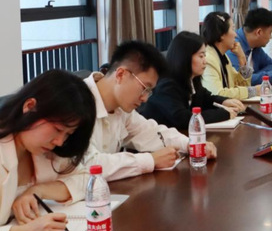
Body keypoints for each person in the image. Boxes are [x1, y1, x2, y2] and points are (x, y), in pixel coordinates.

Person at [83, 41, 217, 182]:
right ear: (121, 74)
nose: (145, 98)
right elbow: (89, 165)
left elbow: (150, 132)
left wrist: (190, 144)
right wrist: (150, 160)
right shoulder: (76, 103)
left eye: (149, 91)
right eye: (145, 88)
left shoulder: (122, 108)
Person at [0, 70, 96, 231]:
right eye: (57, 129)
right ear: (30, 106)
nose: (59, 141)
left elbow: (88, 181)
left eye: (68, 134)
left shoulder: (44, 151)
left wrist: (38, 191)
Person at [139, 31, 245, 129]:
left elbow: (206, 98)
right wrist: (224, 113)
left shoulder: (191, 79)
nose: (205, 61)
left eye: (205, 55)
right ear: (185, 57)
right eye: (201, 56)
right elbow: (184, 119)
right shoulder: (167, 85)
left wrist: (224, 101)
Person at [201, 12, 255, 100]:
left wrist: (242, 58)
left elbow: (239, 86)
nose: (235, 34)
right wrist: (253, 91)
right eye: (232, 29)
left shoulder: (223, 56)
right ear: (222, 34)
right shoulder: (208, 59)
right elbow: (218, 94)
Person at [228, 8, 272, 87]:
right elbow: (239, 81)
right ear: (259, 32)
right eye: (270, 33)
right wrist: (271, 76)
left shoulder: (256, 46)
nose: (270, 37)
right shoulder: (233, 47)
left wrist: (254, 76)